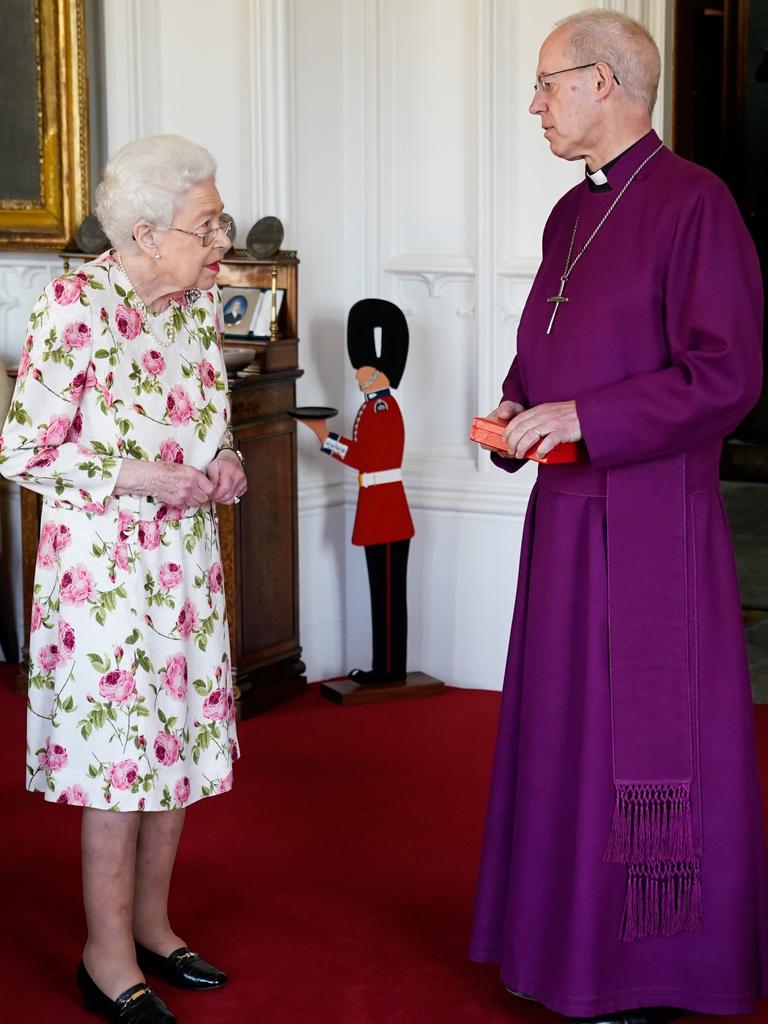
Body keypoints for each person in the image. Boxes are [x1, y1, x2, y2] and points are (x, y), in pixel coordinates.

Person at [469, 10, 767, 1024]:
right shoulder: (569, 212)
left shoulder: (697, 204)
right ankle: (562, 951)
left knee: (639, 754)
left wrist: (588, 417)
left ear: (605, 82)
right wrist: (518, 403)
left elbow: (726, 375)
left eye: (549, 83)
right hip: (564, 518)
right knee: (565, 742)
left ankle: (651, 972)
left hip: (649, 526)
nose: (536, 103)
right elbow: (551, 344)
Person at [0, 134, 247, 1024]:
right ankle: (104, 958)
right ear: (144, 234)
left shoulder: (191, 305)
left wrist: (224, 459)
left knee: (170, 749)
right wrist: (144, 477)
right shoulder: (72, 304)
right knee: (119, 762)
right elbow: (23, 450)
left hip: (183, 564)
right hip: (104, 577)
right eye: (204, 224)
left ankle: (153, 924)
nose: (220, 238)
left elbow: (211, 415)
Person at [300, 299, 414, 683]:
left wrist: (324, 436)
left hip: (386, 512)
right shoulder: (373, 406)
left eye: (362, 370)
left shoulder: (383, 410)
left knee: (386, 596)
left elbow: (367, 458)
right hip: (380, 509)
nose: (356, 376)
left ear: (378, 373)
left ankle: (388, 671)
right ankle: (386, 667)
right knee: (382, 594)